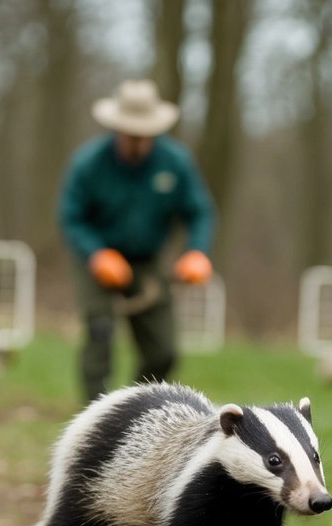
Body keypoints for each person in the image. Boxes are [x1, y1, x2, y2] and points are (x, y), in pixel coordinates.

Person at [58, 79, 217, 402]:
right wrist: (96, 254)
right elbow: (71, 216)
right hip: (99, 259)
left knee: (164, 350)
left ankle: (136, 406)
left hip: (148, 261)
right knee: (99, 333)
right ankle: (95, 412)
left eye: (145, 135)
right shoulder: (89, 164)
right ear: (117, 129)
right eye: (131, 134)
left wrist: (196, 252)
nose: (138, 142)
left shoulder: (175, 162)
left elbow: (200, 211)